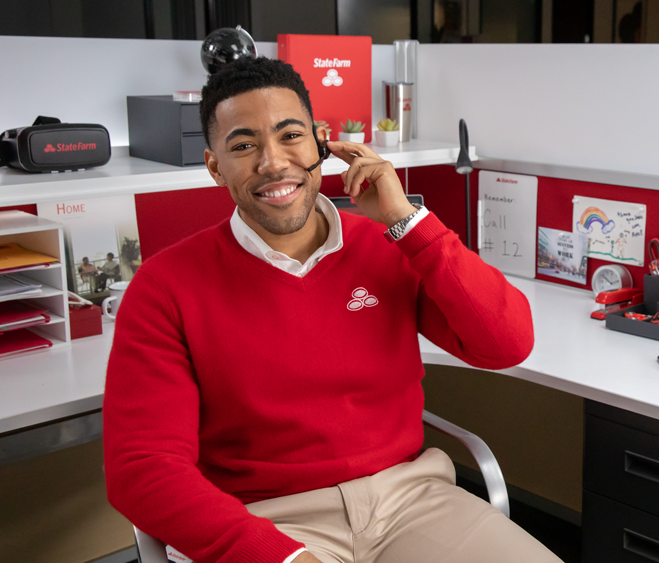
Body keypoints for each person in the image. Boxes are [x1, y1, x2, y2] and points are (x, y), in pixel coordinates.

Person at [103, 56, 557, 563]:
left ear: (322, 142)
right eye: (244, 145)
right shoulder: (165, 286)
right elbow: (143, 468)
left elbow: (506, 345)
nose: (273, 162)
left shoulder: (391, 245)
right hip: (266, 520)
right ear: (215, 166)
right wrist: (279, 556)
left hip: (411, 503)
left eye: (290, 135)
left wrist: (408, 222)